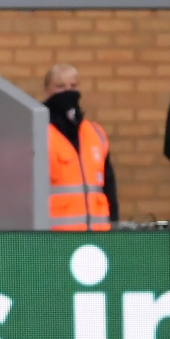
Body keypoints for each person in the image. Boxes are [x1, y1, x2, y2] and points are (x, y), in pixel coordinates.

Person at [43, 63, 116, 230]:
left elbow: (109, 186)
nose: (68, 91)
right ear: (47, 89)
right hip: (56, 237)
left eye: (73, 86)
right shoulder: (39, 133)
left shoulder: (96, 134)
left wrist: (114, 225)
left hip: (97, 234)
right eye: (60, 86)